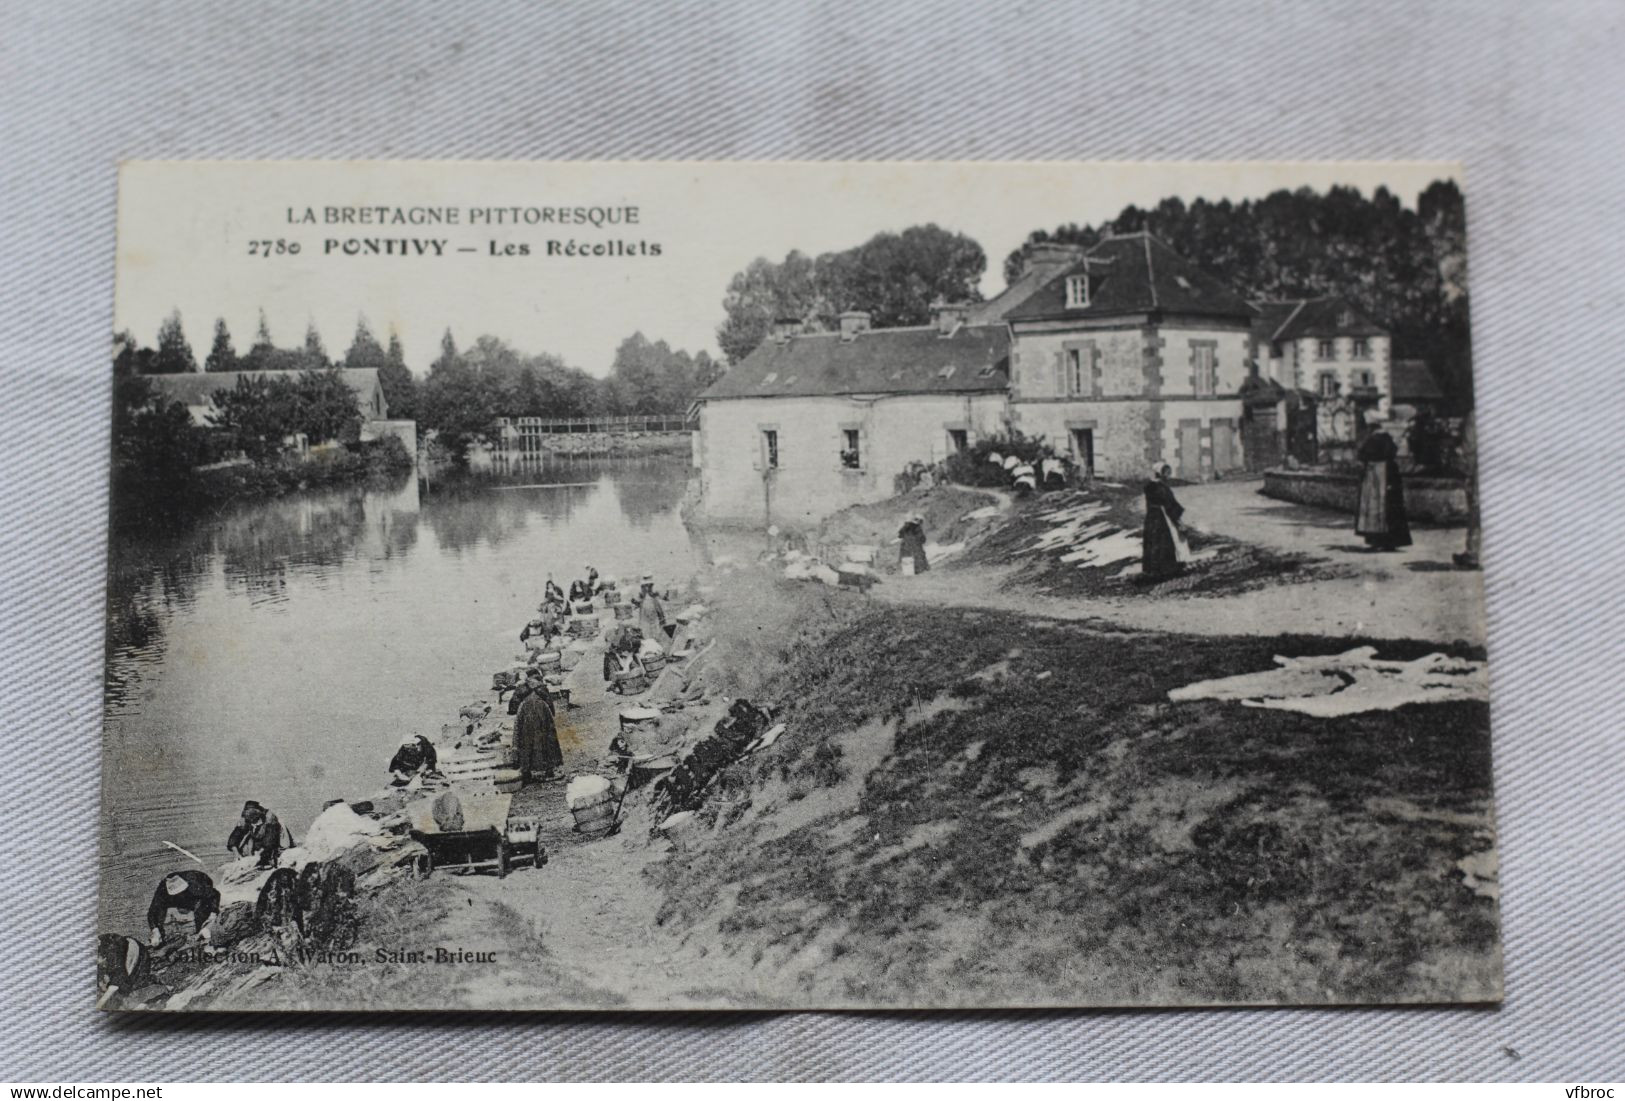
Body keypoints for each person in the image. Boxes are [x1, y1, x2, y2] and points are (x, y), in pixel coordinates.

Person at [1356, 418, 1413, 551]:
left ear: (1371, 427)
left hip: (1376, 475)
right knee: (1390, 508)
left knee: (1376, 508)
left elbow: (1363, 455)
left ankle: (1377, 540)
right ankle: (1390, 541)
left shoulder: (1373, 439)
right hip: (1388, 475)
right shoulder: (1388, 439)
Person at [146, 869, 221, 947]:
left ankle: (202, 934)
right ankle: (161, 937)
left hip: (198, 887)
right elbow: (152, 911)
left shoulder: (196, 884)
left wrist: (213, 913)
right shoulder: (163, 891)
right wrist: (155, 930)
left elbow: (215, 894)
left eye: (181, 893)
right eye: (177, 894)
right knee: (160, 911)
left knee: (201, 912)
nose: (179, 895)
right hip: (177, 896)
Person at [1141, 464, 1191, 581]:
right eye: (1167, 473)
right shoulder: (1163, 488)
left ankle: (1153, 570)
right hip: (1163, 517)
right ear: (1161, 473)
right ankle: (1168, 569)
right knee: (1167, 540)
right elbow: (1170, 504)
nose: (1169, 475)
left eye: (1169, 472)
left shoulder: (1149, 486)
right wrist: (1178, 521)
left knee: (1153, 541)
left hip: (1151, 517)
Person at [514, 670, 563, 782]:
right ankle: (548, 770)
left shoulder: (523, 691)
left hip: (526, 714)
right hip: (541, 713)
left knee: (526, 742)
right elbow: (550, 708)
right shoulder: (542, 690)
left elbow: (514, 711)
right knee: (547, 740)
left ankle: (527, 771)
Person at [1454, 413, 1482, 570]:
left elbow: (1469, 447)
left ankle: (1472, 553)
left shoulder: (1475, 415)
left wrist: (1468, 472)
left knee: (1477, 512)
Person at [227, 800, 286, 868]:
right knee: (246, 847)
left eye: (254, 821)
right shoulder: (245, 819)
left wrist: (257, 855)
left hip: (273, 842)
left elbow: (269, 841)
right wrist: (236, 853)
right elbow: (235, 836)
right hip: (257, 840)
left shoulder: (270, 820)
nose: (252, 823)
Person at [634, 575, 672, 653]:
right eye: (645, 586)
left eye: (649, 585)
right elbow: (636, 602)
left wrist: (667, 590)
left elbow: (665, 598)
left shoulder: (654, 594)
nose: (647, 587)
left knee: (656, 633)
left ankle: (657, 650)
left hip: (654, 615)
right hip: (645, 616)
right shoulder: (642, 595)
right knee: (646, 634)